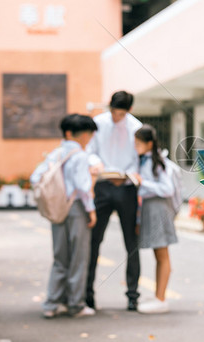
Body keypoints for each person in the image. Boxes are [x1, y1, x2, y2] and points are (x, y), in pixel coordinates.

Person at [30, 114, 98, 319]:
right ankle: (75, 304)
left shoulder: (56, 154)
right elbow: (83, 187)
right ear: (73, 134)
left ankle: (51, 304)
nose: (88, 137)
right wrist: (91, 210)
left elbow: (35, 177)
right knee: (79, 257)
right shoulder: (80, 155)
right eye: (87, 133)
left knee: (60, 257)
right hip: (77, 209)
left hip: (57, 208)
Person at [85, 91, 143, 311]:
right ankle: (87, 295)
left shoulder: (136, 127)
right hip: (102, 185)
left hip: (127, 187)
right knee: (93, 240)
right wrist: (98, 164)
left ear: (128, 111)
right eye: (113, 112)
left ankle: (132, 296)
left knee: (131, 243)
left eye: (120, 114)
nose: (116, 117)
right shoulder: (98, 123)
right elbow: (91, 151)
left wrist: (126, 174)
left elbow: (139, 157)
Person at [132, 124, 178, 314]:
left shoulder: (158, 162)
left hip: (159, 209)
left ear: (149, 143)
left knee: (162, 254)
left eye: (138, 143)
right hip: (151, 209)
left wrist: (144, 183)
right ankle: (159, 296)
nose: (135, 146)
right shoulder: (145, 160)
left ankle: (161, 298)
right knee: (158, 254)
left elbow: (167, 189)